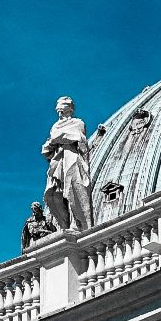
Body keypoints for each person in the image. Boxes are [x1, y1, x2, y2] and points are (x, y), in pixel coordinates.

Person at [42, 98, 95, 232]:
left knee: (72, 190)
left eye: (62, 109)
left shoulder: (78, 123)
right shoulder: (55, 126)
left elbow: (80, 139)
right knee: (55, 194)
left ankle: (76, 223)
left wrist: (58, 138)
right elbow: (47, 148)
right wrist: (56, 140)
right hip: (58, 162)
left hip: (72, 158)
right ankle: (63, 224)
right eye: (58, 109)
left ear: (69, 109)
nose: (59, 112)